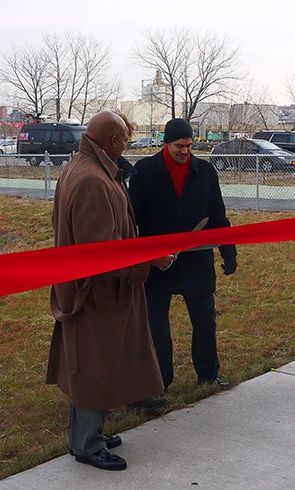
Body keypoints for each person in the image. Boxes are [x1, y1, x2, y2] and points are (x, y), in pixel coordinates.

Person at [46, 111, 175, 471]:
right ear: (113, 142)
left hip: (101, 291)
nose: (128, 147)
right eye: (126, 141)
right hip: (97, 293)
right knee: (93, 367)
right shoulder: (92, 179)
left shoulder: (87, 168)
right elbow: (102, 252)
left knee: (96, 364)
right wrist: (151, 262)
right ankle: (86, 444)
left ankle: (91, 434)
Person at [129, 118, 237, 391]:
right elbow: (133, 222)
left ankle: (208, 375)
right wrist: (144, 256)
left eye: (189, 146)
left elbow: (218, 217)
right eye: (179, 146)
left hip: (196, 263)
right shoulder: (144, 172)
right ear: (166, 143)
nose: (185, 151)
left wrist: (228, 251)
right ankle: (160, 381)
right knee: (157, 327)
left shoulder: (205, 172)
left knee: (204, 321)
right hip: (158, 264)